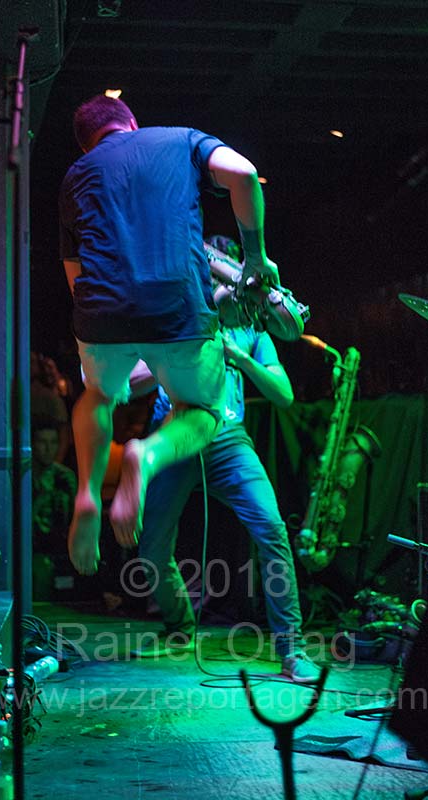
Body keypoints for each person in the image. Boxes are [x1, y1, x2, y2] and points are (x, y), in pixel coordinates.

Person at [59, 94, 279, 576]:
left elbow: (75, 275)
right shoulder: (181, 140)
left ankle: (87, 493)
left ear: (87, 146)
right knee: (203, 409)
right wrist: (255, 257)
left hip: (102, 316)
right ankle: (146, 455)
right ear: (132, 124)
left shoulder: (77, 174)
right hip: (177, 311)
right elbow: (244, 174)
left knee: (98, 395)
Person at [133, 236, 319, 684]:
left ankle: (291, 650)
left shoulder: (252, 327)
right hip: (175, 434)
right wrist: (177, 349)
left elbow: (284, 394)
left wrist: (239, 358)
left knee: (271, 528)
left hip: (227, 439)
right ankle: (179, 626)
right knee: (151, 547)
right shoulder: (178, 311)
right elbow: (132, 383)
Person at [31, 416, 77, 599]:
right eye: (42, 442)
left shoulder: (64, 477)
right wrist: (42, 497)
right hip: (32, 550)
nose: (48, 448)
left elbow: (73, 519)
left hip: (61, 548)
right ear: (32, 445)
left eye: (53, 442)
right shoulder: (24, 476)